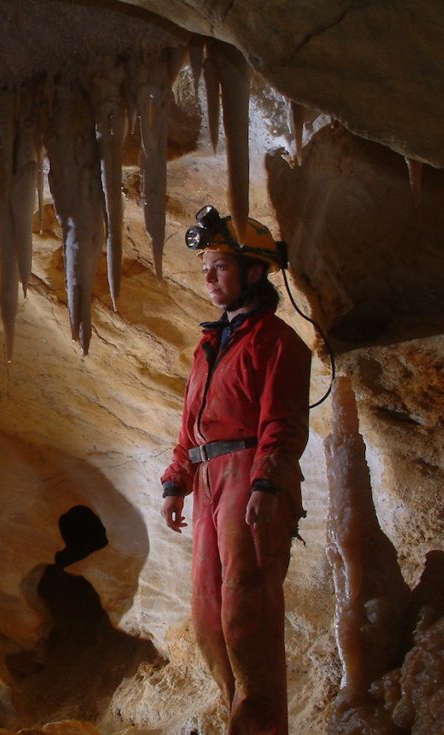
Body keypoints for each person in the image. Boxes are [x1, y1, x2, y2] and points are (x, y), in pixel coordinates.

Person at [160, 206, 311, 735]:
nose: (208, 277)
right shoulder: (209, 346)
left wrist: (267, 481)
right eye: (205, 266)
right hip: (207, 478)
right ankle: (238, 720)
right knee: (207, 617)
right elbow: (190, 423)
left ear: (253, 272)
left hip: (249, 472)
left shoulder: (277, 342)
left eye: (219, 266)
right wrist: (176, 480)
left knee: (246, 614)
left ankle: (261, 728)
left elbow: (283, 420)